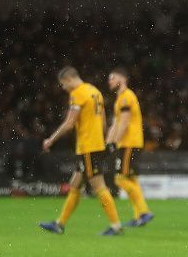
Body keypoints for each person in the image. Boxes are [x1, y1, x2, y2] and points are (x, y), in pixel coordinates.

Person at [39, 66, 123, 235]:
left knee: (99, 186)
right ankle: (59, 224)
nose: (63, 88)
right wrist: (105, 140)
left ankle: (116, 226)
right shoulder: (94, 91)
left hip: (88, 147)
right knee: (75, 184)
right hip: (96, 144)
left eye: (63, 84)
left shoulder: (77, 94)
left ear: (69, 79)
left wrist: (51, 139)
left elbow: (69, 124)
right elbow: (103, 121)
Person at [105, 67, 154, 227]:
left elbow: (124, 123)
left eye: (113, 78)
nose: (109, 81)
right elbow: (115, 123)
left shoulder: (126, 97)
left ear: (122, 79)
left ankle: (144, 211)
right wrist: (108, 142)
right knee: (132, 179)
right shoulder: (120, 98)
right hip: (129, 143)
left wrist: (115, 142)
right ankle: (139, 216)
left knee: (120, 179)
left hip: (129, 143)